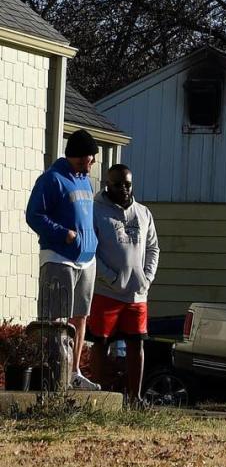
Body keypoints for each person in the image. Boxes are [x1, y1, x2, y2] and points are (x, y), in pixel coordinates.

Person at [25, 129, 101, 390]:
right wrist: (64, 234)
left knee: (80, 317)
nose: (88, 165)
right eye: (83, 160)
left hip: (86, 260)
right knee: (55, 318)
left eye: (91, 160)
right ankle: (52, 373)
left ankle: (74, 372)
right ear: (71, 156)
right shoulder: (51, 179)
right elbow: (34, 215)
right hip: (59, 257)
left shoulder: (85, 181)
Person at [88, 164, 159, 403]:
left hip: (137, 295)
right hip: (106, 292)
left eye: (127, 183)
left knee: (136, 343)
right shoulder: (95, 211)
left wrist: (146, 278)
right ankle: (100, 396)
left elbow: (152, 248)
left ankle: (135, 397)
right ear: (108, 184)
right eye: (117, 184)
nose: (123, 188)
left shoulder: (143, 213)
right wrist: (111, 278)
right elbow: (91, 251)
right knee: (100, 343)